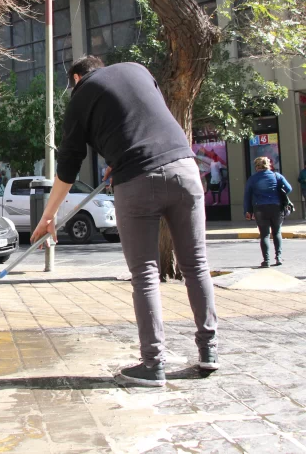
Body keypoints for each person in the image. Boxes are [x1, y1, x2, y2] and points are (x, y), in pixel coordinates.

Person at [31, 56, 218, 387]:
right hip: (184, 169)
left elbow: (69, 165)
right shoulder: (138, 69)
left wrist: (49, 216)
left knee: (144, 273)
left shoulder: (81, 95)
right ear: (101, 66)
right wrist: (118, 157)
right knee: (196, 265)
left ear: (76, 78)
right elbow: (143, 119)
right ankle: (209, 351)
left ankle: (153, 365)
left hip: (137, 181)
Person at [244, 156, 292, 268]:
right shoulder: (276, 176)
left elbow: (247, 196)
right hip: (276, 207)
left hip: (260, 208)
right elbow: (289, 188)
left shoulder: (253, 179)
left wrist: (248, 211)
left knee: (264, 234)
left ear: (256, 167)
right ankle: (278, 257)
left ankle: (266, 260)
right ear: (268, 165)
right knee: (277, 232)